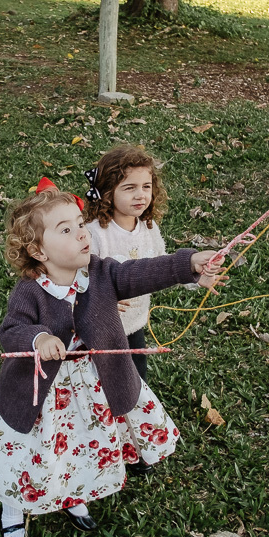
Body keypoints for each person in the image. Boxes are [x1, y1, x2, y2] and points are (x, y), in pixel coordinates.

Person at [0, 190, 224, 537]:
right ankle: (13, 506)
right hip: (40, 394)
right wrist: (39, 338)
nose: (82, 233)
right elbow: (12, 330)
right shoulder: (29, 291)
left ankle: (71, 493)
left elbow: (142, 272)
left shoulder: (102, 272)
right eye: (66, 230)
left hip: (89, 387)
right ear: (38, 251)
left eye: (80, 224)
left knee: (76, 443)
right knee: (29, 450)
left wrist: (188, 263)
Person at [83, 144, 179, 382]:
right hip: (99, 329)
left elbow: (163, 266)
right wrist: (100, 300)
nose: (140, 195)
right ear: (107, 192)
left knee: (137, 379)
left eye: (146, 186)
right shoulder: (94, 234)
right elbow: (78, 278)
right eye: (129, 188)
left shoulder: (149, 228)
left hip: (134, 325)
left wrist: (194, 275)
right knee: (100, 383)